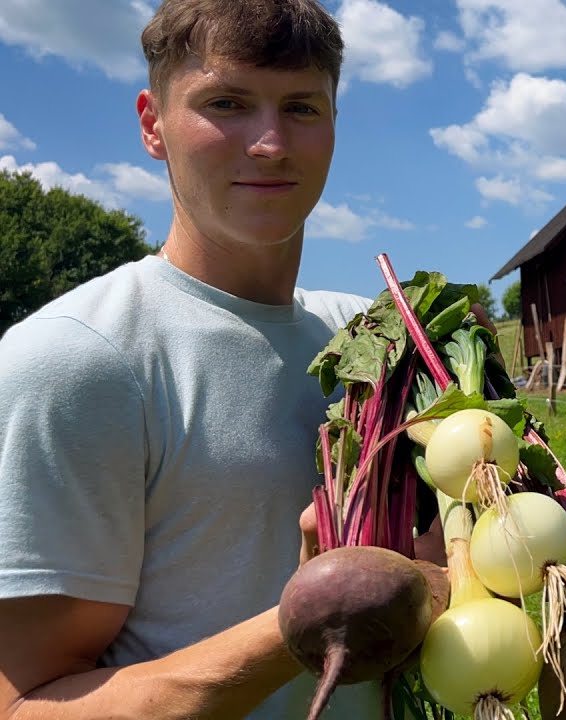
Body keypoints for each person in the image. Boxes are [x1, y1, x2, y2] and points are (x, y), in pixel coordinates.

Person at [0, 0, 388, 716]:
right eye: (227, 103)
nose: (270, 142)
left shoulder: (368, 341)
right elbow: (26, 705)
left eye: (302, 107)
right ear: (152, 123)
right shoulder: (76, 359)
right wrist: (308, 620)